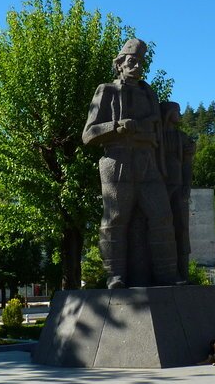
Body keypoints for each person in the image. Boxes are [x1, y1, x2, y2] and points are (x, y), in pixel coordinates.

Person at [83, 38, 181, 289]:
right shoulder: (106, 90)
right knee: (115, 218)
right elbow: (88, 134)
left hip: (147, 160)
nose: (137, 66)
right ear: (119, 64)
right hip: (117, 160)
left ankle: (167, 275)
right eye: (131, 61)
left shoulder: (149, 94)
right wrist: (117, 126)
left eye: (140, 62)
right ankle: (115, 276)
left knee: (162, 216)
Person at [160, 101, 195, 281]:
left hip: (179, 186)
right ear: (168, 114)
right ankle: (167, 272)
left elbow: (187, 166)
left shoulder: (182, 137)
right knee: (163, 229)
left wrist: (187, 186)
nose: (180, 115)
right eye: (177, 111)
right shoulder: (156, 138)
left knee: (182, 229)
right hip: (160, 188)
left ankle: (184, 273)